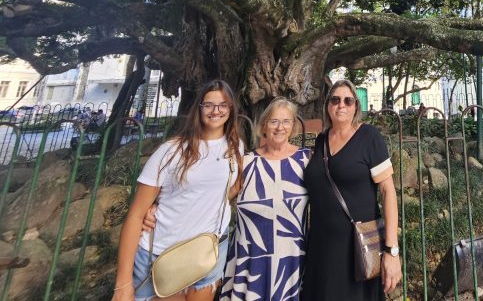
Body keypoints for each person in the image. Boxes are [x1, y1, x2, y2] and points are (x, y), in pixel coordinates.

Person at [112, 79, 244, 301]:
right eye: (208, 105)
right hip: (162, 254)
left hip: (209, 251)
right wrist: (123, 283)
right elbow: (135, 216)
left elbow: (228, 191)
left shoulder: (235, 147)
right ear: (199, 108)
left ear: (231, 109)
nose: (216, 111)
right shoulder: (171, 151)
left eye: (223, 105)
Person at [302, 79, 401, 300]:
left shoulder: (369, 137)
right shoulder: (320, 142)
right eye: (335, 100)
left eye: (348, 100)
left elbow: (388, 191)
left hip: (357, 249)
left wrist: (392, 251)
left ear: (356, 105)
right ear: (328, 105)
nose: (341, 105)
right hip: (321, 248)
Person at [221, 98, 310, 301]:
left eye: (286, 121)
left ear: (294, 126)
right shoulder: (247, 162)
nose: (280, 127)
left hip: (291, 260)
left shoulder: (305, 160)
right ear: (264, 125)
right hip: (250, 261)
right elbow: (219, 200)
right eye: (274, 121)